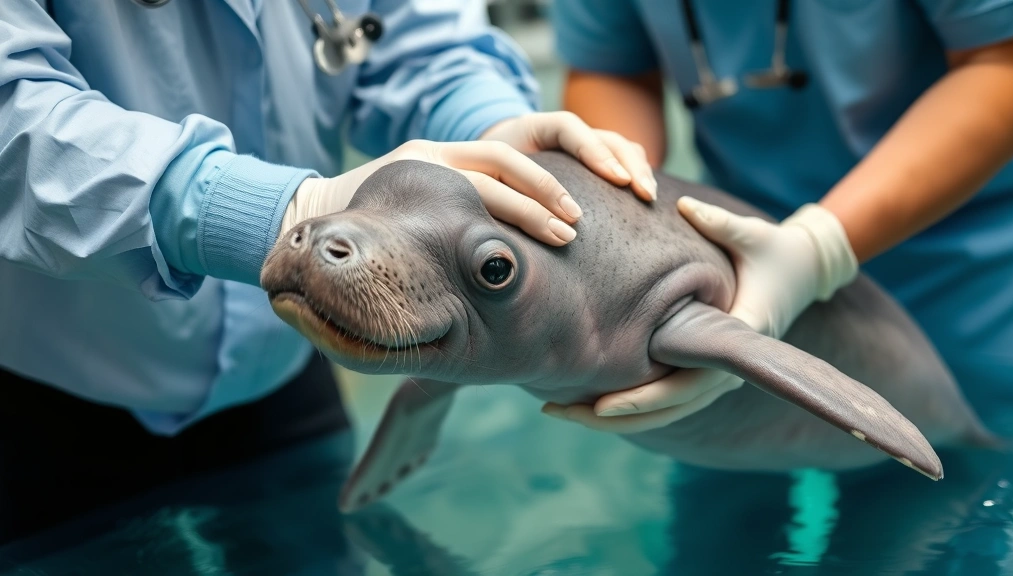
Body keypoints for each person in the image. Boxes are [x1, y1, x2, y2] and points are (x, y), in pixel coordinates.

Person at [0, 0, 654, 543]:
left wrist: (489, 128)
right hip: (48, 394)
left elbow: (408, 38)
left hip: (287, 364)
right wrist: (265, 209)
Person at [543, 0, 1013, 435]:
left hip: (968, 281)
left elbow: (1006, 60)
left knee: (969, 489)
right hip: (735, 277)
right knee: (729, 514)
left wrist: (820, 247)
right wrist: (618, 220)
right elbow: (613, 68)